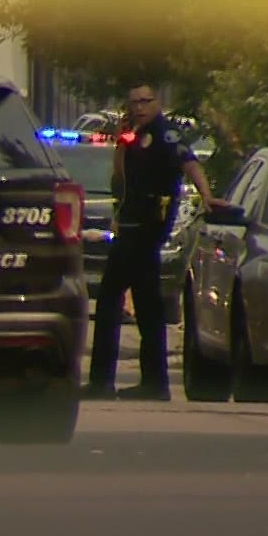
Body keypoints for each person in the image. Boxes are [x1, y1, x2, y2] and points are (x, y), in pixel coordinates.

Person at [83, 85, 226, 401]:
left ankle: (124, 382)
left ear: (157, 103)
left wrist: (206, 195)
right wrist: (121, 143)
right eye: (133, 103)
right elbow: (120, 178)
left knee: (121, 299)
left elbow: (190, 164)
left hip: (147, 227)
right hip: (130, 223)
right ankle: (138, 382)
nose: (139, 107)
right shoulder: (133, 136)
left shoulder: (166, 134)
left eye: (145, 102)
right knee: (135, 303)